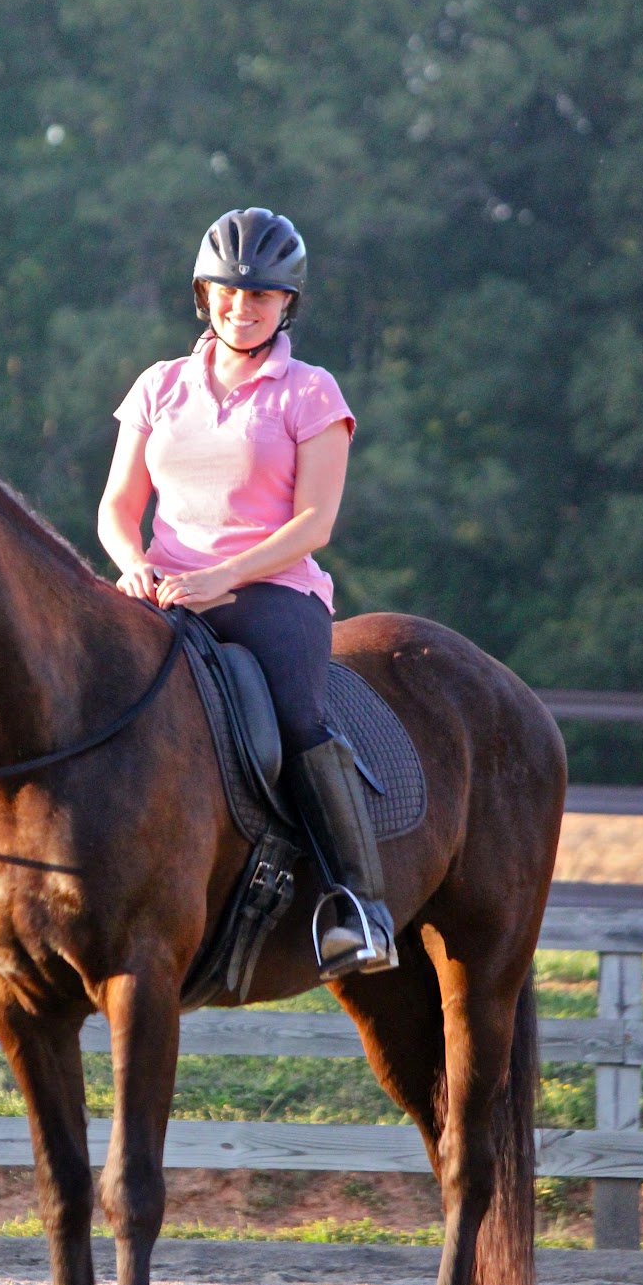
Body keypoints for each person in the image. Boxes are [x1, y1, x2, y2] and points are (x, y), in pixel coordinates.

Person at [97, 206, 397, 979]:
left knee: (297, 719)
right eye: (227, 291)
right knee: (62, 682)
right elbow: (117, 506)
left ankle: (356, 905)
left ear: (286, 302)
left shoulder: (310, 392)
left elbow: (314, 522)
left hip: (269, 591)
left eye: (260, 294)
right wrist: (132, 563)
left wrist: (220, 577)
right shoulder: (159, 385)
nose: (241, 306)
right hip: (160, 587)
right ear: (204, 294)